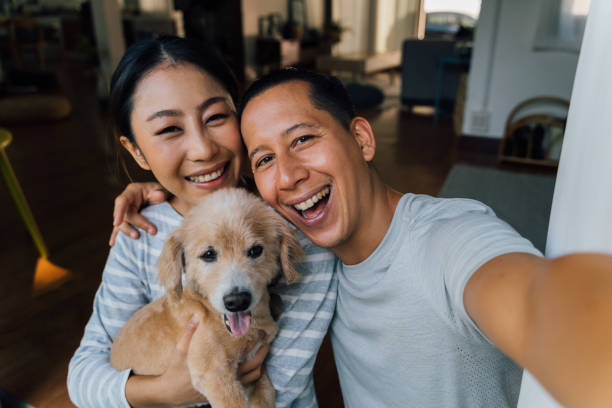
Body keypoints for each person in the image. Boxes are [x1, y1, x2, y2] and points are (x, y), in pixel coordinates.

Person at [117, 68, 612, 408]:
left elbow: (531, 296)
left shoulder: (449, 236)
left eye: (303, 139)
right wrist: (162, 191)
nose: (287, 175)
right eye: (264, 158)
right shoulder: (291, 238)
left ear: (362, 139)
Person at [67, 38, 337, 408]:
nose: (203, 149)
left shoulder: (293, 227)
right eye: (168, 130)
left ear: (239, 114)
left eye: (215, 118)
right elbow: (83, 377)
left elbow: (282, 386)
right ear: (136, 151)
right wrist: (163, 391)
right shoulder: (137, 234)